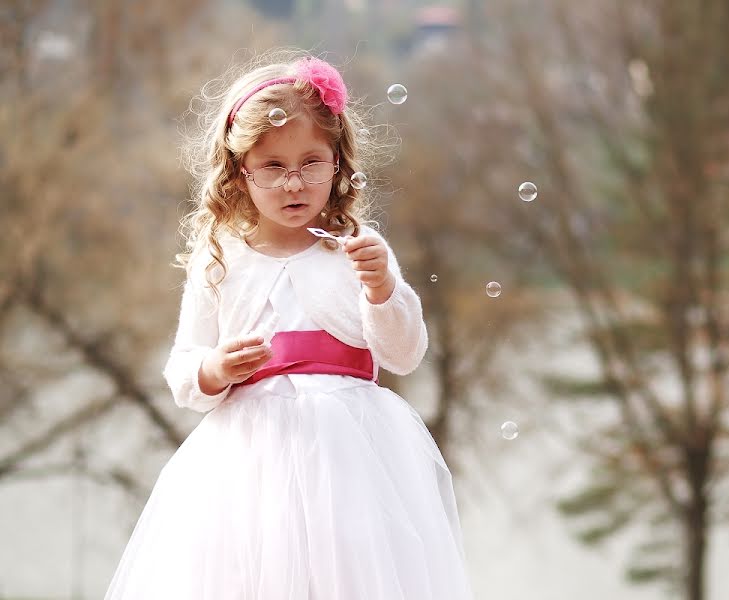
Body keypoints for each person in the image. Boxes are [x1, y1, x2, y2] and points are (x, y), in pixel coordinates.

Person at [104, 51, 473, 600]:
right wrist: (215, 367)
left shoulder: (357, 253)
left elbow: (403, 354)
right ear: (240, 174)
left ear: (338, 164)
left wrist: (382, 289)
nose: (293, 183)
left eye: (311, 163)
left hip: (349, 460)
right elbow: (184, 371)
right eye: (273, 167)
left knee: (345, 578)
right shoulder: (221, 262)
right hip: (247, 463)